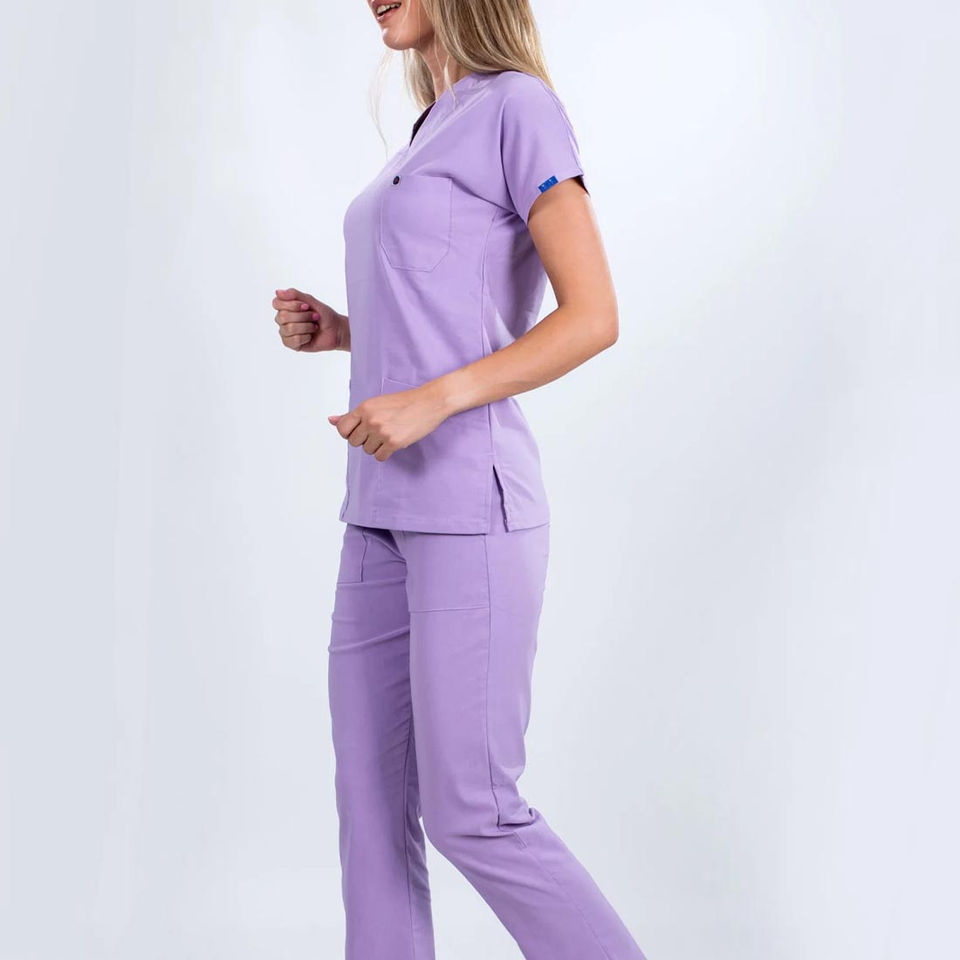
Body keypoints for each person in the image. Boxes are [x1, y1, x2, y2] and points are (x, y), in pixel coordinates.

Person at [271, 2, 647, 958]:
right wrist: (346, 331)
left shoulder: (519, 107)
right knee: (370, 810)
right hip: (377, 514)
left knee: (474, 810)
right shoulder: (430, 123)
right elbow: (455, 305)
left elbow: (592, 315)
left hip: (469, 508)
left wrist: (433, 400)